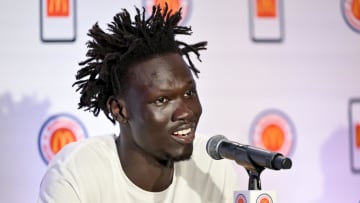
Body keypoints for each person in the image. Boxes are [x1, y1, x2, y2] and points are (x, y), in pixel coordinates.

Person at [38, 4, 240, 203]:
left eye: (189, 93)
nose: (185, 112)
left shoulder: (213, 166)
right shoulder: (76, 173)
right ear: (119, 110)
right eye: (162, 100)